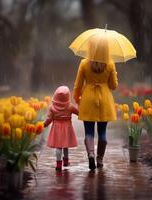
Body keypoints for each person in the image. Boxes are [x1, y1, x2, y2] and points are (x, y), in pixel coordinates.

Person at [73, 38, 118, 170]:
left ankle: (91, 154)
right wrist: (114, 76)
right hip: (104, 101)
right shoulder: (110, 64)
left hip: (88, 100)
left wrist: (77, 98)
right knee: (102, 132)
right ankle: (100, 159)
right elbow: (113, 86)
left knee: (89, 132)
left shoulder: (84, 63)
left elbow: (78, 85)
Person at [44, 86, 78, 171]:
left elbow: (49, 119)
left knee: (58, 147)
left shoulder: (52, 108)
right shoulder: (70, 106)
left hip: (57, 128)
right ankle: (66, 161)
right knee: (65, 145)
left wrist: (44, 124)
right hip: (67, 128)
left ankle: (58, 164)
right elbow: (79, 112)